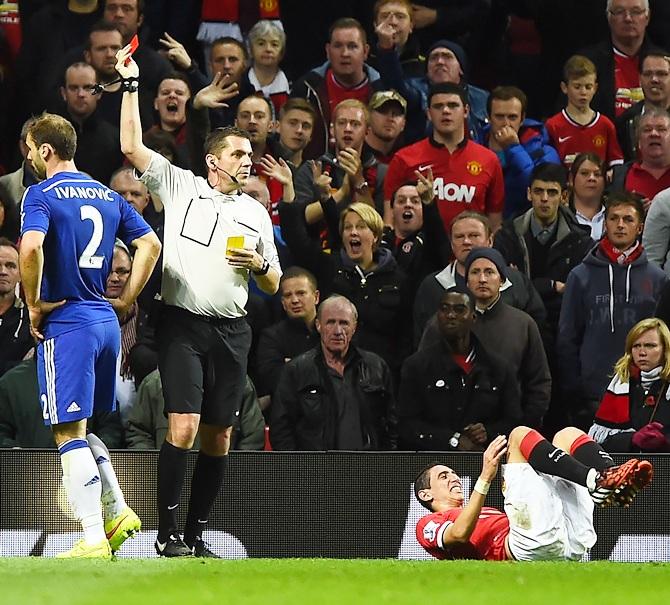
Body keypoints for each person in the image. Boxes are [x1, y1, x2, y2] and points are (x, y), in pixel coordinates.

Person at [117, 45, 281, 558]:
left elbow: (274, 282)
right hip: (184, 324)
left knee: (219, 438)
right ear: (213, 161)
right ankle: (167, 536)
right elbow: (130, 145)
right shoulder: (180, 186)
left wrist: (260, 268)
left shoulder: (256, 213)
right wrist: (130, 84)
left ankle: (195, 532)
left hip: (234, 330)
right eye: (238, 154)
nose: (247, 160)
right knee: (183, 425)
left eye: (249, 155)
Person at [19, 112, 161, 559]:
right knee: (83, 428)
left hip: (69, 323)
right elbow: (150, 245)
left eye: (29, 149)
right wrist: (125, 300)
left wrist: (33, 302)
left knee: (66, 433)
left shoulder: (39, 194)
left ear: (45, 150)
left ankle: (93, 537)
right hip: (105, 322)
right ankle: (117, 511)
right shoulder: (107, 194)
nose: (29, 157)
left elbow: (30, 247)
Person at [414, 426, 653, 560]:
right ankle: (597, 481)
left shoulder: (484, 511)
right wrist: (486, 477)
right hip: (526, 550)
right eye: (443, 476)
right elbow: (458, 535)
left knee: (566, 435)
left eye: (452, 473)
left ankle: (609, 477)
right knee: (518, 436)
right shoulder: (428, 523)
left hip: (572, 546)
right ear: (426, 495)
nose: (454, 477)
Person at [558, 191, 668, 430]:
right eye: (613, 218)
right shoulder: (580, 275)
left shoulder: (658, 279)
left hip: (644, 394)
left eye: (628, 219)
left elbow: (664, 341)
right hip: (591, 393)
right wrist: (574, 390)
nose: (620, 225)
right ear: (604, 223)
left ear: (640, 227)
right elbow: (567, 338)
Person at [399, 289, 522, 451]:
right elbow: (407, 425)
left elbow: (514, 421)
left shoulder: (499, 368)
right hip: (433, 462)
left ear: (473, 317)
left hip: (485, 459)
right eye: (444, 309)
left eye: (459, 310)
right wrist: (452, 440)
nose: (450, 315)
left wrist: (488, 432)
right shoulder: (417, 367)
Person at [270, 295, 397, 450]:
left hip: (369, 469)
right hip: (314, 470)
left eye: (344, 323)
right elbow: (281, 429)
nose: (337, 331)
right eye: (330, 322)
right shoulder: (296, 370)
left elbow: (391, 424)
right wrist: (298, 470)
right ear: (318, 325)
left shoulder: (376, 366)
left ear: (354, 327)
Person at [413, 211, 547, 347]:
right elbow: (421, 340)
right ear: (452, 244)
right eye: (459, 237)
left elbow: (538, 332)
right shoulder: (432, 286)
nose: (466, 241)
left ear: (490, 240)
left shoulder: (516, 281)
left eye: (474, 235)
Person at [383, 83, 504, 232]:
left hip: (470, 250)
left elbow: (495, 223)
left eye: (453, 105)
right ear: (428, 113)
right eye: (438, 106)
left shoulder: (489, 160)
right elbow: (389, 220)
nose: (446, 111)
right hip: (418, 252)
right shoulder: (404, 159)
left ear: (466, 111)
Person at [493, 163, 593, 334]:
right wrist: (553, 286)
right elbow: (503, 288)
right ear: (528, 194)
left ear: (564, 196)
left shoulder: (580, 242)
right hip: (516, 327)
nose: (544, 198)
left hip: (562, 327)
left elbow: (576, 293)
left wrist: (522, 281)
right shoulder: (507, 236)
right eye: (538, 191)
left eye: (552, 192)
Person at [291, 17, 385, 160]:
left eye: (352, 46)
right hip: (315, 172)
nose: (345, 53)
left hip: (370, 171)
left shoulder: (382, 89)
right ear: (328, 51)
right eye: (338, 46)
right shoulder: (306, 89)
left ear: (365, 51)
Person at [476, 85, 560, 218]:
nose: (506, 123)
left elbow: (535, 189)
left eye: (512, 117)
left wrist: (513, 147)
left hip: (522, 224)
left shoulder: (543, 150)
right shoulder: (474, 145)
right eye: (499, 116)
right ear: (489, 117)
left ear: (522, 119)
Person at [589, 318, 670, 452]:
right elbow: (599, 446)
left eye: (650, 345)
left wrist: (666, 441)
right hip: (626, 467)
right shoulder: (619, 386)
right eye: (636, 346)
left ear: (665, 349)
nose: (642, 352)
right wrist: (631, 439)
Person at [581, 0, 660, 120]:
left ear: (647, 17)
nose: (628, 18)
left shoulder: (664, 62)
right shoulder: (586, 62)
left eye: (636, 11)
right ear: (609, 17)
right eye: (619, 12)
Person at [545, 55, 624, 170]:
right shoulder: (553, 125)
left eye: (588, 87)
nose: (583, 92)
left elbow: (616, 162)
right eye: (577, 87)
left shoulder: (605, 125)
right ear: (564, 87)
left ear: (595, 88)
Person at [256, 266, 320, 402]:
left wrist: (292, 365)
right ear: (283, 303)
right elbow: (273, 381)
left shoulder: (331, 330)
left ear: (316, 297)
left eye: (301, 293)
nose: (295, 300)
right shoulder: (271, 337)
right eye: (288, 295)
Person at [57, 62, 123, 185]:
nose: (80, 94)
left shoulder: (115, 139)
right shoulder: (51, 137)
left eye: (88, 88)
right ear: (63, 93)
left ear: (99, 92)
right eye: (73, 88)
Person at [616, 52, 670, 161]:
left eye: (661, 74)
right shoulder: (625, 122)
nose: (654, 79)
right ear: (640, 79)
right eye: (648, 74)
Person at [610, 107, 670, 205]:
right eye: (647, 130)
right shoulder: (619, 176)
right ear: (638, 142)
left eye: (661, 129)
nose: (654, 134)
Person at [246, 20, 290, 116]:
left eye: (274, 44)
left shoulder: (293, 88)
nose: (268, 49)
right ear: (250, 49)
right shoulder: (239, 85)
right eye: (261, 44)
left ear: (282, 52)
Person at [568, 153, 607, 241]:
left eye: (597, 174)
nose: (591, 178)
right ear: (571, 179)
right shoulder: (560, 217)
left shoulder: (615, 216)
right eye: (584, 173)